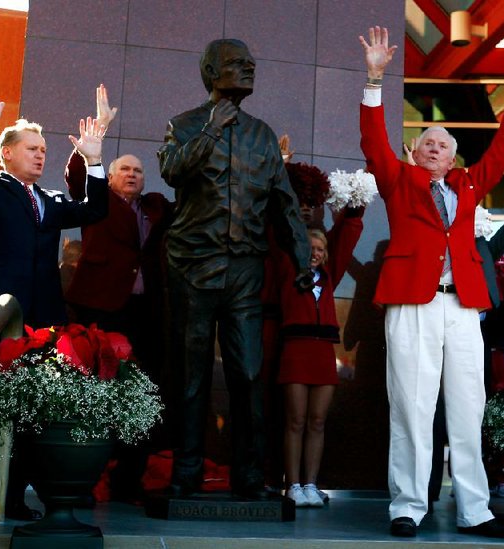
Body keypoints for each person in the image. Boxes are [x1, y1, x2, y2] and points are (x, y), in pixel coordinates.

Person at [358, 26, 504, 538]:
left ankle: (475, 509)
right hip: (412, 303)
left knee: (467, 406)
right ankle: (408, 505)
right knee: (411, 405)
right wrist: (375, 78)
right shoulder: (399, 180)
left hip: (462, 307)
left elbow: (503, 151)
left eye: (444, 144)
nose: (435, 148)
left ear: (453, 158)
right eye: (428, 142)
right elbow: (372, 140)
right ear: (415, 152)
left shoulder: (469, 185)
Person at [0, 79, 108, 518]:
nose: (40, 154)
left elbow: (94, 210)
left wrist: (93, 160)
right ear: (7, 153)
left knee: (27, 406)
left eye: (44, 150)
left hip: (38, 324)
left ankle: (12, 496)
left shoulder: (50, 200)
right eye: (31, 148)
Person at [157, 38, 311, 499]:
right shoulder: (183, 125)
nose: (249, 68)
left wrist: (301, 259)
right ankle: (185, 473)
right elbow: (171, 172)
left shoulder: (262, 135)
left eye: (251, 63)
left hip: (244, 271)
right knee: (191, 376)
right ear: (209, 72)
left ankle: (249, 475)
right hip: (192, 267)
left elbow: (284, 204)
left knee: (247, 375)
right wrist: (209, 131)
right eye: (236, 64)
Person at [65, 85, 175, 503]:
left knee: (141, 393)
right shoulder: (98, 197)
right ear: (110, 177)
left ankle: (129, 480)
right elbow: (77, 177)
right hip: (99, 307)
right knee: (94, 388)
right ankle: (81, 477)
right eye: (124, 170)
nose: (132, 175)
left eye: (138, 171)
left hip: (144, 313)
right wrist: (94, 143)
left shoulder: (154, 206)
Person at [425, 152, 504, 506]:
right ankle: (425, 496)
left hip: (479, 346)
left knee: (469, 419)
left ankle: (472, 495)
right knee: (432, 421)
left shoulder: (483, 247)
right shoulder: (433, 244)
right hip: (433, 340)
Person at [275, 196, 364, 508]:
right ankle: (292, 485)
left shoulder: (329, 277)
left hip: (323, 354)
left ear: (326, 255)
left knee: (317, 421)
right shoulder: (287, 270)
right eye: (310, 249)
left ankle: (311, 484)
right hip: (295, 352)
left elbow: (348, 235)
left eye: (320, 250)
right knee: (295, 420)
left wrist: (357, 198)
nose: (315, 254)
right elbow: (280, 239)